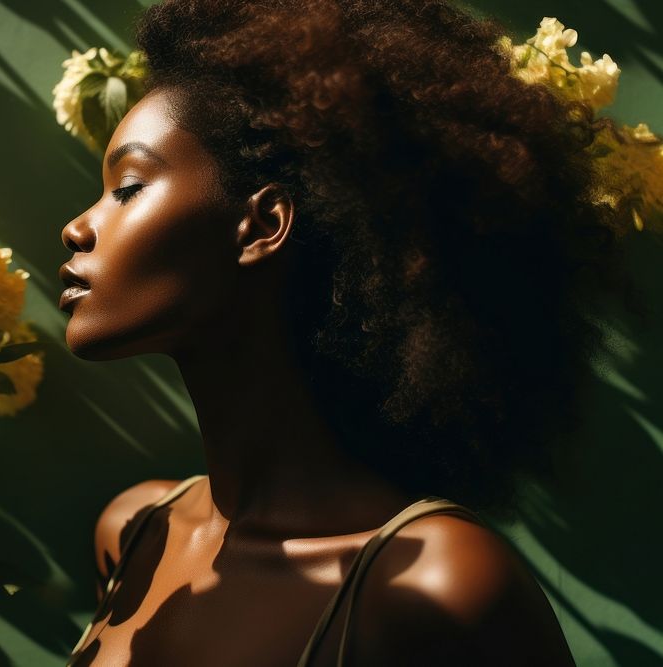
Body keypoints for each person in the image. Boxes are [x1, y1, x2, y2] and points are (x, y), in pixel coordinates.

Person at [58, 0, 641, 664]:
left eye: (128, 188)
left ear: (262, 225)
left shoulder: (436, 588)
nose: (77, 228)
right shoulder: (134, 533)